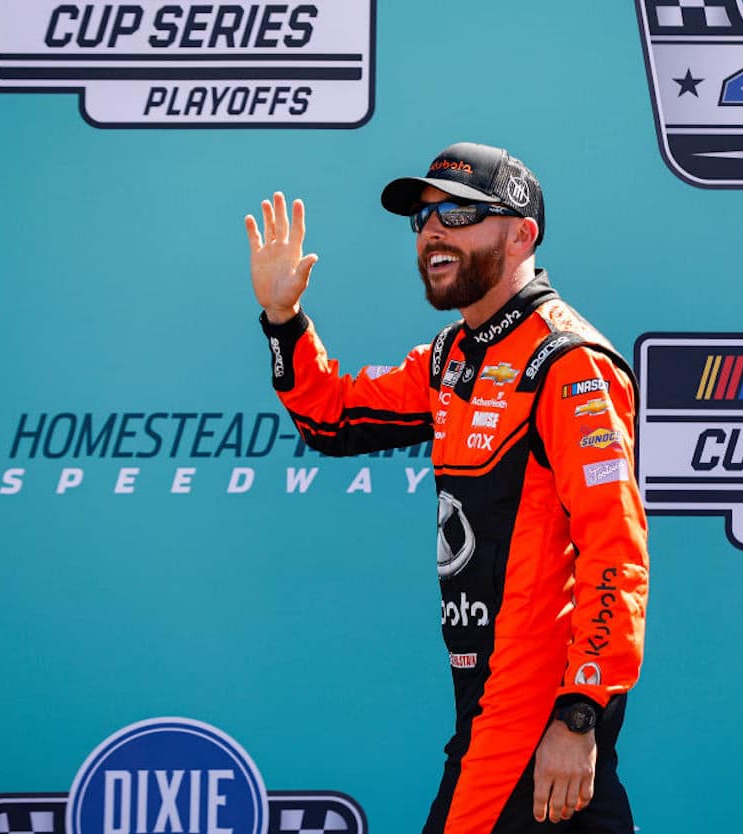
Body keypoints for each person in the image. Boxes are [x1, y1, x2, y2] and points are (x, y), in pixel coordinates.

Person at [245, 142, 649, 833]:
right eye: (423, 217)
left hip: (529, 707)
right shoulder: (448, 358)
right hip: (484, 697)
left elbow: (615, 551)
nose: (433, 231)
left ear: (523, 234)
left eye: (458, 213)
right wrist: (284, 322)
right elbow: (332, 416)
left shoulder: (568, 364)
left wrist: (579, 715)